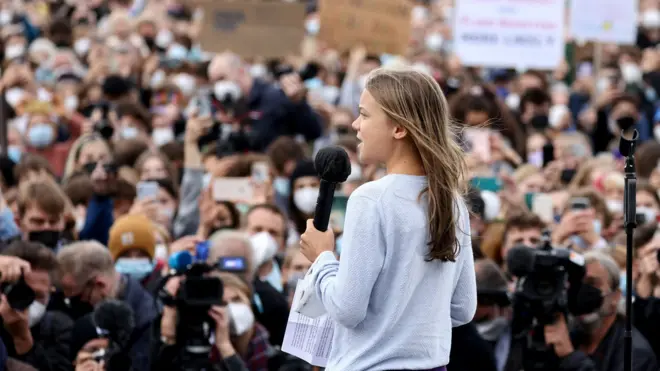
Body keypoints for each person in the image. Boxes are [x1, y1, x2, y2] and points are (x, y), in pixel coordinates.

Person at [299, 67, 477, 370]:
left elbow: (347, 308)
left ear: (398, 128)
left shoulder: (371, 199)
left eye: (365, 115)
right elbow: (463, 308)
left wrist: (322, 258)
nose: (356, 125)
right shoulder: (452, 200)